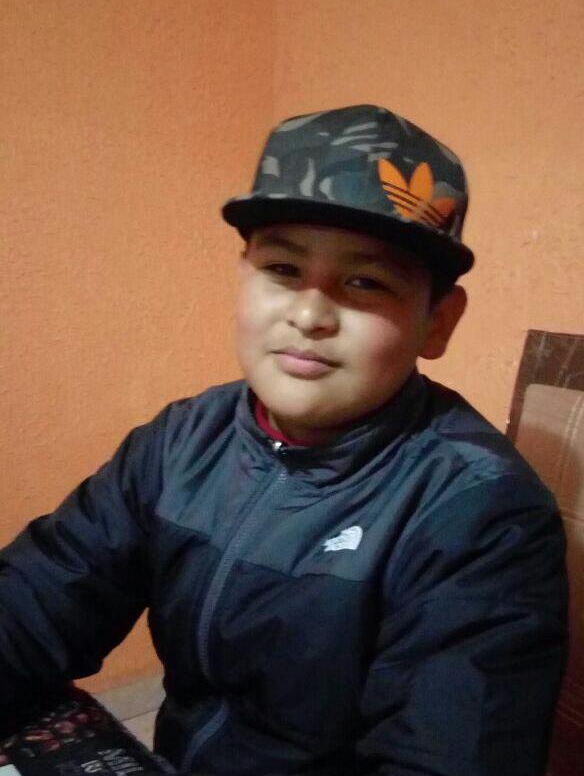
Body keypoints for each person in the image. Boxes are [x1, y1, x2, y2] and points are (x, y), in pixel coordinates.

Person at [0, 104, 568, 775]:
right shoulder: (182, 441)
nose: (308, 313)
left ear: (437, 323)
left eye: (364, 281)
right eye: (283, 269)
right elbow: (34, 604)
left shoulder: (480, 515)